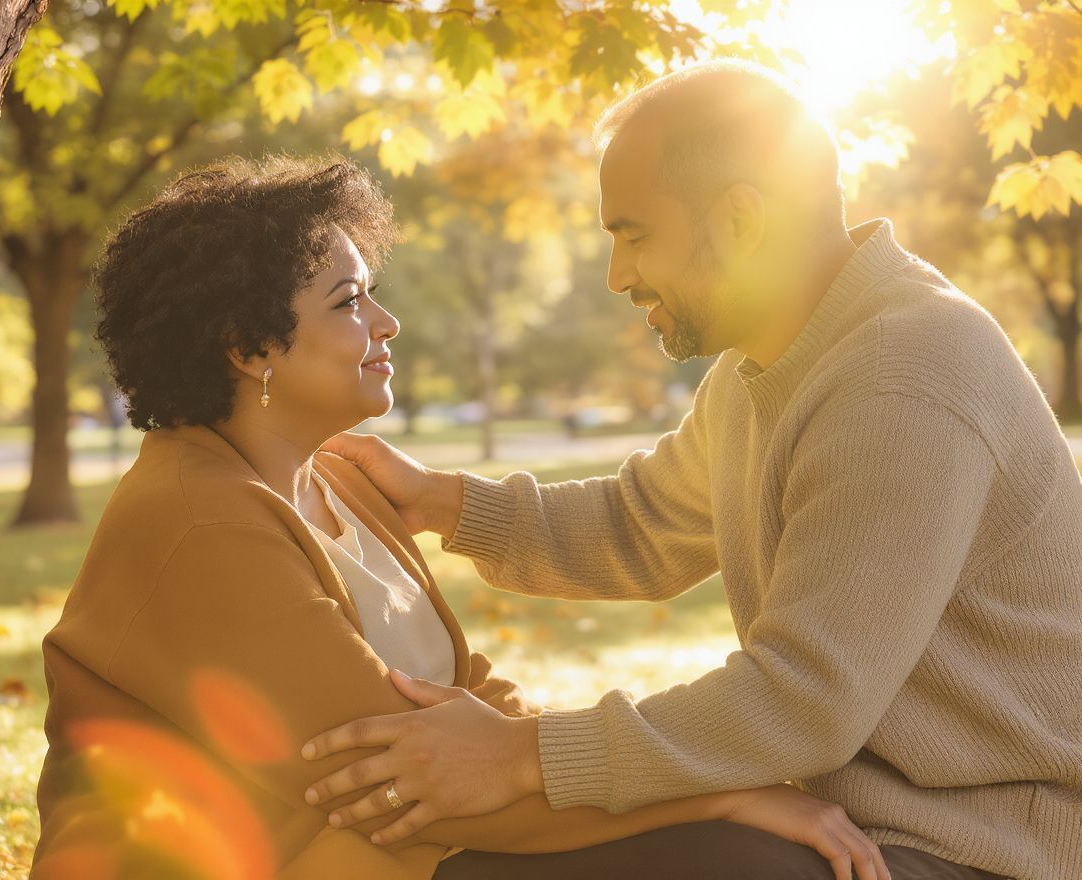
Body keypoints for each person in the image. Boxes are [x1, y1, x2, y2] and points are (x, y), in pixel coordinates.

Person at [301, 60, 1082, 880]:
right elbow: (641, 525)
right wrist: (445, 503)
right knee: (499, 852)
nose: (618, 276)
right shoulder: (773, 366)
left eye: (633, 234)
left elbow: (803, 699)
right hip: (876, 829)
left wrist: (521, 755)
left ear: (741, 218)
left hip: (989, 850)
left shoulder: (902, 377)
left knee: (504, 868)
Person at [29, 153, 893, 880]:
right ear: (249, 347)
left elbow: (471, 699)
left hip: (393, 853)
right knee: (733, 856)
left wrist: (597, 768)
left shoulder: (341, 482)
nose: (388, 321)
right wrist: (723, 790)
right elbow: (407, 781)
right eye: (348, 302)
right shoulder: (202, 524)